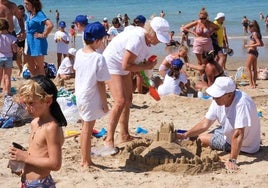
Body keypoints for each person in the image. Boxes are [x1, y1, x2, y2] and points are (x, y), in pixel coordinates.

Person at [94, 17, 170, 156]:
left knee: (128, 99)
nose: (159, 41)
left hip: (123, 65)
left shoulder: (147, 42)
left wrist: (148, 82)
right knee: (120, 101)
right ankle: (109, 140)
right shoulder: (137, 39)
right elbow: (126, 65)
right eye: (158, 37)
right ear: (151, 32)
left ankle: (124, 134)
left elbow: (137, 67)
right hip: (111, 63)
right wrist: (147, 66)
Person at [177, 76, 261, 170]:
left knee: (201, 138)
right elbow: (205, 124)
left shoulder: (242, 103)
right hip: (228, 131)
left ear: (229, 95)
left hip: (245, 145)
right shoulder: (218, 100)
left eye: (217, 96)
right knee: (207, 133)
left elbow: (238, 134)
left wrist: (232, 160)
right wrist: (185, 134)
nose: (214, 98)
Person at [9, 75, 67, 187]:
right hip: (26, 182)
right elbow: (38, 153)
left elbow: (55, 164)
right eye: (25, 103)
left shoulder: (51, 128)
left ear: (48, 101)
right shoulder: (34, 123)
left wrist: (25, 157)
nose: (27, 108)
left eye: (31, 103)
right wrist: (21, 164)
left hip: (40, 184)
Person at [74, 22, 110, 167]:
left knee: (85, 127)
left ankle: (86, 158)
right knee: (87, 130)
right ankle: (85, 160)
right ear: (96, 40)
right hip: (91, 97)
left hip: (81, 94)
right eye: (102, 40)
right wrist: (105, 103)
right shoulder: (98, 58)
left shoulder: (79, 53)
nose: (102, 43)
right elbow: (101, 83)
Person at [24, 0, 54, 76]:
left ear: (33, 4)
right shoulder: (29, 14)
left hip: (37, 43)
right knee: (30, 67)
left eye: (27, 4)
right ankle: (34, 84)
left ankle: (42, 86)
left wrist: (44, 34)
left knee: (40, 67)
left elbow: (50, 25)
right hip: (29, 42)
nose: (25, 5)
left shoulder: (39, 14)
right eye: (24, 3)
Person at [0, 18, 17, 96]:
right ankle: (7, 92)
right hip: (8, 58)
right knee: (7, 76)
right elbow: (14, 50)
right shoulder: (11, 38)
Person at [244, 20, 264, 89]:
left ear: (254, 27)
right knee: (254, 68)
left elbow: (259, 44)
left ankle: (251, 85)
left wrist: (249, 46)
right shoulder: (257, 33)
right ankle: (254, 84)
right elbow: (262, 44)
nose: (249, 29)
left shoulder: (254, 33)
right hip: (255, 53)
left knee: (248, 67)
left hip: (252, 52)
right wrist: (252, 45)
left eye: (250, 27)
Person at [15, 4, 27, 76]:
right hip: (17, 38)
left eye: (22, 12)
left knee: (25, 55)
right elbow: (11, 28)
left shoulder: (26, 17)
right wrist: (17, 35)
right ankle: (20, 68)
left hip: (25, 38)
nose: (21, 14)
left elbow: (28, 27)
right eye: (19, 12)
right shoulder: (14, 18)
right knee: (17, 56)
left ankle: (24, 70)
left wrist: (24, 33)